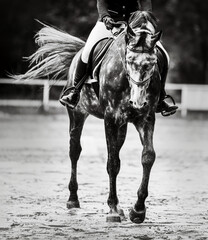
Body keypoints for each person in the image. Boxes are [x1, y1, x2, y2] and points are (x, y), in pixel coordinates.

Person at [60, 0, 178, 116]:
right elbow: (101, 1)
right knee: (87, 51)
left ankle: (161, 99)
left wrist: (145, 17)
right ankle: (74, 92)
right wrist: (105, 16)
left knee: (164, 55)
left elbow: (146, 1)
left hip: (135, 24)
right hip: (108, 23)